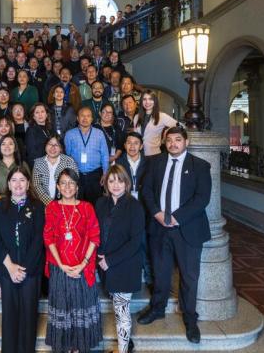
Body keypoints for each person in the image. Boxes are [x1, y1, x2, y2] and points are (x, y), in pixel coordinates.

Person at [137, 127, 212, 344]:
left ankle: (190, 319)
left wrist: (176, 217)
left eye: (178, 140)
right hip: (159, 227)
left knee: (189, 277)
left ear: (186, 142)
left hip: (186, 229)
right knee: (160, 272)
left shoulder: (199, 166)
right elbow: (147, 191)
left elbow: (202, 198)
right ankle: (157, 308)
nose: (173, 144)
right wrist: (158, 214)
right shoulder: (155, 163)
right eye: (169, 140)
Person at [43, 169, 102, 352]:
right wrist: (62, 265)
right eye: (63, 183)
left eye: (71, 183)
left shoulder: (87, 207)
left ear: (77, 187)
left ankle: (79, 346)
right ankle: (65, 346)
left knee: (80, 306)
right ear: (58, 187)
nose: (67, 186)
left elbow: (95, 237)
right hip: (59, 267)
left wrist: (83, 264)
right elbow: (49, 237)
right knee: (63, 305)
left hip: (82, 268)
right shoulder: (52, 207)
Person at [0, 167, 46, 353]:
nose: (18, 184)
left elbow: (39, 239)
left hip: (30, 271)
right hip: (7, 270)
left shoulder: (38, 207)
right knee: (10, 317)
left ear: (28, 184)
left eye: (22, 180)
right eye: (14, 180)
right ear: (8, 184)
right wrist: (11, 267)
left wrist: (23, 270)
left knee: (29, 316)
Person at [94, 165, 145, 353]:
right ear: (106, 183)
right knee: (117, 308)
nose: (116, 185)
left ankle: (123, 350)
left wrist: (109, 260)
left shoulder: (135, 206)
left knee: (122, 313)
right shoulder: (101, 203)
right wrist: (98, 254)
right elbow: (95, 231)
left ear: (126, 183)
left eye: (120, 180)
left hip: (125, 266)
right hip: (105, 265)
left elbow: (135, 242)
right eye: (112, 180)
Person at [64, 107, 110, 203]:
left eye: (88, 116)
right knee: (77, 204)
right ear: (77, 118)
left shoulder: (99, 133)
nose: (85, 118)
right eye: (82, 116)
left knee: (95, 204)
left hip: (95, 175)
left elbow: (105, 155)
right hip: (76, 175)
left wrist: (105, 173)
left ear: (92, 119)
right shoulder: (69, 134)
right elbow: (67, 156)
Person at [31, 135, 79, 205]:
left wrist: (62, 203)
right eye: (50, 144)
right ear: (45, 146)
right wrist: (51, 204)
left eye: (56, 145)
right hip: (43, 204)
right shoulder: (38, 163)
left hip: (66, 202)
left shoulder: (69, 161)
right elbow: (36, 186)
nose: (53, 147)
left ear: (61, 148)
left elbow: (74, 184)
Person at [0, 135, 29, 200]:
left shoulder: (23, 165)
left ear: (15, 147)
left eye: (10, 144)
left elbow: (29, 187)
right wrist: (3, 201)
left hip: (20, 203)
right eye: (3, 144)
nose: (7, 146)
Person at [115, 132, 147, 199]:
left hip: (144, 201)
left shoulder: (149, 163)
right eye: (129, 143)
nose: (132, 146)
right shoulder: (118, 163)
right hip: (124, 200)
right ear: (125, 145)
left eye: (136, 143)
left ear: (141, 146)